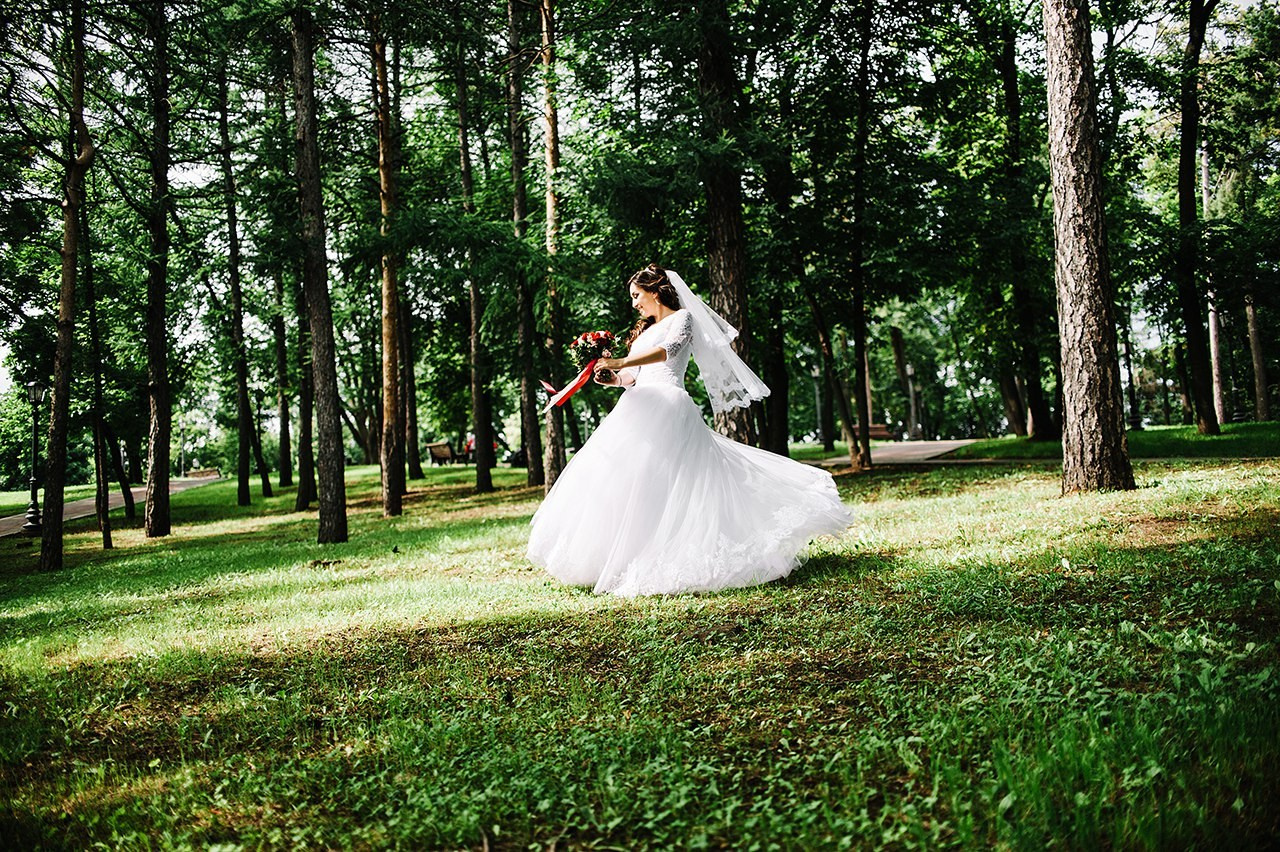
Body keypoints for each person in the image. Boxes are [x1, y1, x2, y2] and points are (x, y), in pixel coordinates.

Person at [527, 264, 852, 597]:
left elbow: (670, 352)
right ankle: (625, 554)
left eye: (637, 295)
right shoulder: (642, 331)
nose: (635, 303)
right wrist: (615, 378)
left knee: (676, 479)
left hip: (668, 405)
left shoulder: (682, 319)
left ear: (655, 290)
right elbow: (635, 377)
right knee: (630, 480)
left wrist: (620, 363)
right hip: (638, 405)